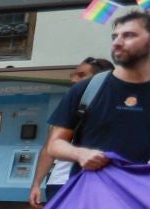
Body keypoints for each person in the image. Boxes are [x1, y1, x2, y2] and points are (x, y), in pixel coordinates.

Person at [45, 10, 150, 184]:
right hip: (90, 189)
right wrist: (80, 153)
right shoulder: (87, 89)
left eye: (129, 35)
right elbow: (54, 144)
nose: (117, 42)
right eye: (114, 36)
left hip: (139, 191)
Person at [30, 58, 114, 207]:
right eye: (73, 75)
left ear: (99, 78)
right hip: (64, 182)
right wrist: (36, 184)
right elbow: (49, 149)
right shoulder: (72, 105)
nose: (74, 80)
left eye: (81, 75)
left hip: (108, 182)